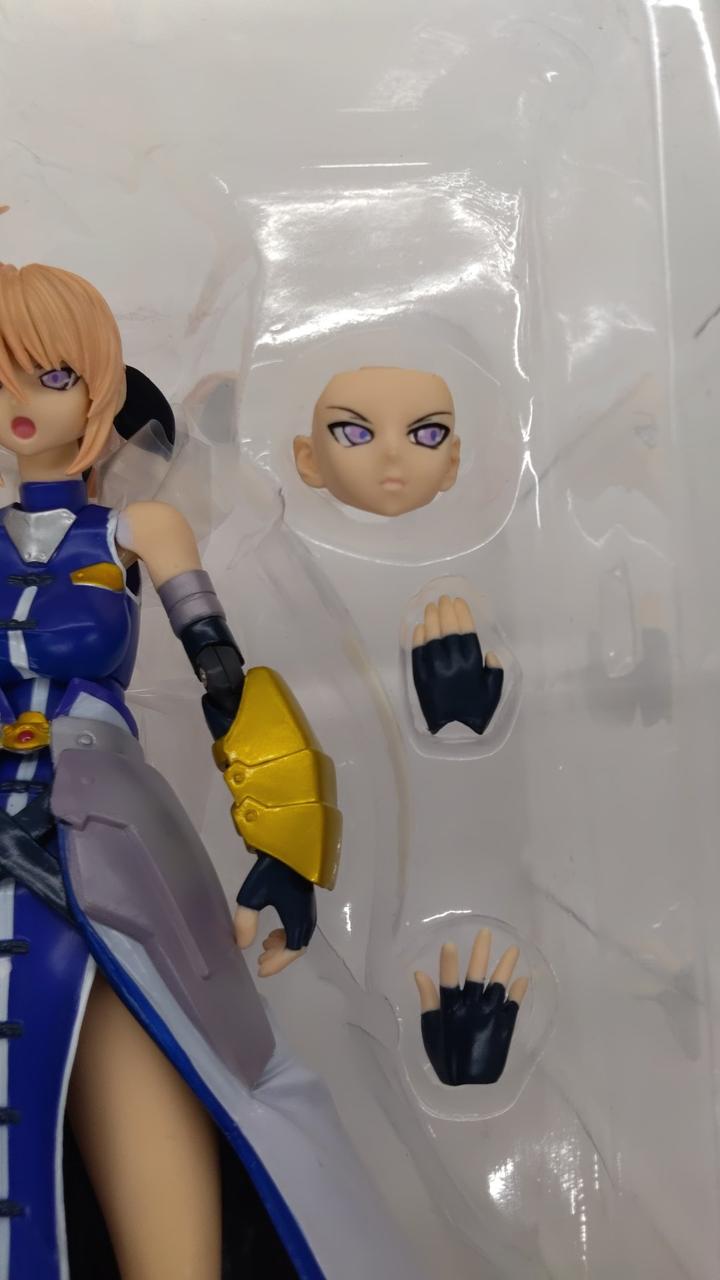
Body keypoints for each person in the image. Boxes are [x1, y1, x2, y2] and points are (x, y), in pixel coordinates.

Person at [0, 258, 425, 1280]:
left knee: (165, 1058)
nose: (21, 400)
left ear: (98, 392)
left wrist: (285, 844)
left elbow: (227, 684)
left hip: (99, 846)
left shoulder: (138, 529)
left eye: (50, 375)